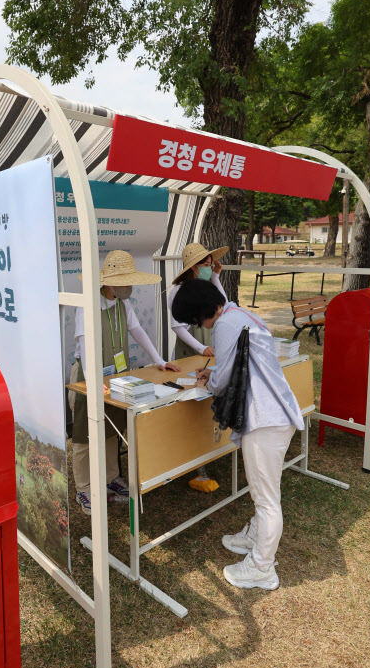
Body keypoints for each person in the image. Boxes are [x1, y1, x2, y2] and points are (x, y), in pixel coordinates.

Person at [172, 279, 304, 591]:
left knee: (267, 499)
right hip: (273, 414)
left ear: (201, 312)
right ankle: (256, 538)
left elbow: (223, 381)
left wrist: (205, 382)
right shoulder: (240, 315)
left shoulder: (224, 325)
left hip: (265, 419)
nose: (198, 326)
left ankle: (262, 568)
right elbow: (239, 367)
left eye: (195, 320)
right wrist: (214, 374)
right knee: (266, 490)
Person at [71, 250, 180, 515]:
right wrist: (94, 382)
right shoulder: (86, 305)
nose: (130, 287)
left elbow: (137, 330)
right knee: (85, 435)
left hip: (117, 376)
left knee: (112, 427)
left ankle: (110, 478)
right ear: (110, 284)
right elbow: (85, 347)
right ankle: (84, 488)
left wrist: (158, 359)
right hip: (89, 377)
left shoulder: (123, 304)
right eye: (126, 282)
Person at [167, 242, 228, 492]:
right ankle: (191, 462)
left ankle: (207, 454)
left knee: (208, 400)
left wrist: (215, 277)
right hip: (190, 350)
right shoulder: (178, 291)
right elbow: (177, 326)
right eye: (206, 263)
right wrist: (200, 348)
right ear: (194, 267)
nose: (210, 266)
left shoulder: (206, 286)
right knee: (191, 402)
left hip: (207, 347)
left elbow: (223, 304)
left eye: (211, 262)